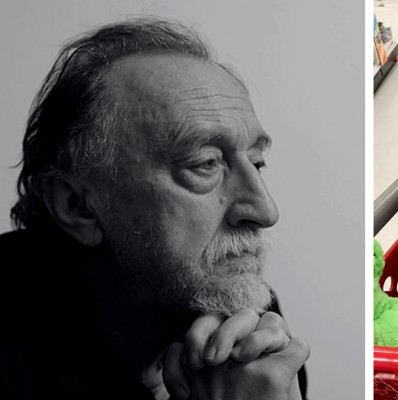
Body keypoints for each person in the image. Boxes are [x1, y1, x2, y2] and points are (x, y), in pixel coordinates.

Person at [0, 18, 309, 399]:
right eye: (204, 164)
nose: (265, 210)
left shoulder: (240, 318)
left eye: (256, 162)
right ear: (77, 205)